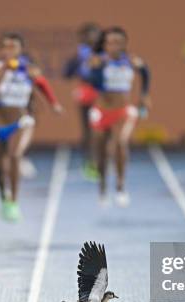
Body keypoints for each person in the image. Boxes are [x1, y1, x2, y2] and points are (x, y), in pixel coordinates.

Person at [0, 32, 63, 222]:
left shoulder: (29, 69)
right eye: (6, 47)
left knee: (15, 155)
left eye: (14, 47)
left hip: (21, 121)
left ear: (20, 50)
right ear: (1, 50)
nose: (10, 51)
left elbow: (42, 85)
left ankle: (14, 201)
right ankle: (4, 197)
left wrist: (54, 104)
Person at [88, 26, 151, 207]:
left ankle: (121, 186)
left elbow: (146, 73)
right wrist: (97, 69)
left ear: (124, 44)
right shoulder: (99, 61)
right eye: (110, 43)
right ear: (105, 45)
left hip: (122, 111)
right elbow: (95, 84)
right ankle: (102, 187)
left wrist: (145, 95)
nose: (114, 46)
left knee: (119, 143)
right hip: (101, 111)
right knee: (101, 152)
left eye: (118, 42)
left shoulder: (131, 61)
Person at [64, 22, 101, 181]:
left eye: (93, 35)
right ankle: (90, 162)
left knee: (102, 131)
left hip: (104, 96)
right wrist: (78, 61)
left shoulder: (104, 54)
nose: (90, 38)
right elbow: (67, 73)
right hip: (87, 95)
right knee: (88, 131)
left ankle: (101, 160)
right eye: (86, 35)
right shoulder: (80, 55)